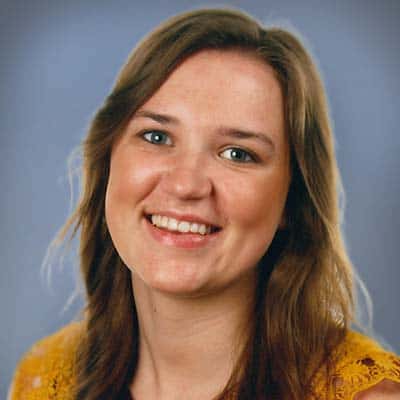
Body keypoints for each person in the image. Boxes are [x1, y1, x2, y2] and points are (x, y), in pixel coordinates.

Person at [9, 8, 400, 400]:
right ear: (107, 159)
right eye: (157, 137)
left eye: (237, 154)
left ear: (292, 202)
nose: (185, 185)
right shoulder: (45, 380)